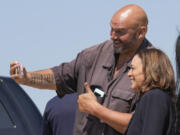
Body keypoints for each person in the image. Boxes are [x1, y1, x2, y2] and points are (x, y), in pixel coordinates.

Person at [10, 4, 153, 135]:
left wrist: (96, 110)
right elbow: (60, 76)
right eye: (111, 29)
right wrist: (27, 78)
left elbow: (143, 125)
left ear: (141, 32)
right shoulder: (94, 55)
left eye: (120, 32)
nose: (113, 36)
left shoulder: (153, 69)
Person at [123, 48, 175, 135]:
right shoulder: (157, 97)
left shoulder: (155, 97)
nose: (129, 74)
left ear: (149, 70)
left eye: (133, 68)